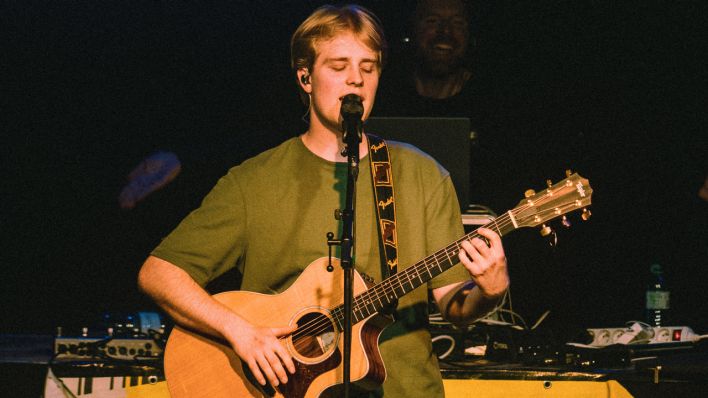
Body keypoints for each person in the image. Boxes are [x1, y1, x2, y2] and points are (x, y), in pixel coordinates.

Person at [137, 4, 509, 397]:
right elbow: (159, 273)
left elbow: (455, 305)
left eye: (369, 68)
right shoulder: (254, 181)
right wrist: (242, 333)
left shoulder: (423, 175)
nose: (356, 80)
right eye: (338, 66)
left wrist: (490, 291)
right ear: (305, 77)